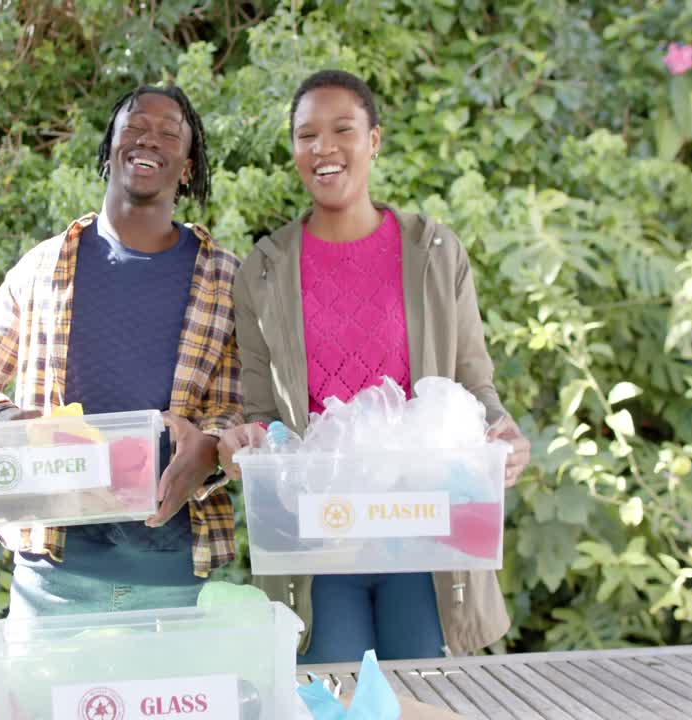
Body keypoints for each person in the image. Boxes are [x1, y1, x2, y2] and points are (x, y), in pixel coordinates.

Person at [217, 70, 531, 663]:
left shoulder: (434, 253)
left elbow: (473, 383)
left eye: (343, 129)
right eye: (306, 134)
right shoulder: (264, 269)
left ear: (375, 140)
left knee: (424, 693)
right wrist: (244, 444)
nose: (323, 148)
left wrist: (502, 433)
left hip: (422, 532)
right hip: (320, 540)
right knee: (331, 693)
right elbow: (261, 415)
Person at [0, 85, 242, 618]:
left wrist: (210, 447)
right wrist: (3, 415)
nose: (149, 139)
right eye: (134, 127)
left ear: (188, 167)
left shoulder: (225, 278)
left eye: (169, 133)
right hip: (53, 579)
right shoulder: (42, 268)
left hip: (175, 578)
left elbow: (245, 408)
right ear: (110, 150)